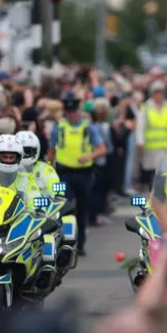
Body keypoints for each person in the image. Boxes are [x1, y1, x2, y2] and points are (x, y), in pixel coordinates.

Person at [48, 96, 107, 256]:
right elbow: (51, 150)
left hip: (83, 174)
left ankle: (80, 244)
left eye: (73, 112)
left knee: (82, 209)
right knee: (65, 206)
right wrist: (48, 168)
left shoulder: (88, 127)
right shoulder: (59, 127)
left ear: (78, 112)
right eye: (68, 112)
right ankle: (65, 241)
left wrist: (88, 157)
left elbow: (102, 149)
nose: (71, 115)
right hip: (63, 173)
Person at [14, 131, 60, 206]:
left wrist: (58, 195)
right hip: (15, 213)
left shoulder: (45, 168)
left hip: (43, 211)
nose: (24, 154)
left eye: (27, 151)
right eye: (21, 151)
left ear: (36, 150)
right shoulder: (9, 169)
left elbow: (57, 193)